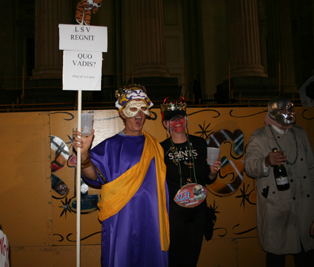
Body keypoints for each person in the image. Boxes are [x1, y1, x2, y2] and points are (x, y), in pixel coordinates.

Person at [73, 84, 170, 267]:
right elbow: (93, 176)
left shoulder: (155, 145)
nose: (139, 114)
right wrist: (84, 155)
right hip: (122, 220)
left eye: (143, 109)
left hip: (152, 219)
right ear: (122, 113)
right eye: (133, 109)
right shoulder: (110, 146)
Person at [245, 97, 314, 266]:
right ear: (273, 113)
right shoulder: (260, 136)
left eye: (291, 109)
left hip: (304, 209)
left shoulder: (300, 133)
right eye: (283, 110)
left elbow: (311, 169)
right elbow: (250, 167)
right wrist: (266, 162)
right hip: (277, 209)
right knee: (276, 256)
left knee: (306, 256)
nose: (288, 114)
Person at [160, 97, 221, 267]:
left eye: (181, 117)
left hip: (198, 211)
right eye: (172, 119)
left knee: (191, 259)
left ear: (186, 119)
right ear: (165, 124)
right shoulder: (161, 149)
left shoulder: (201, 144)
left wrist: (213, 172)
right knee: (174, 260)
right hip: (174, 214)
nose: (177, 121)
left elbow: (208, 180)